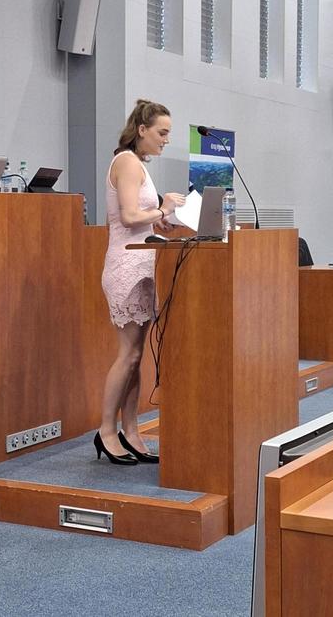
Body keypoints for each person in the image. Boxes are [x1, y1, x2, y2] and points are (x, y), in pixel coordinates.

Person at [95, 99, 186, 465]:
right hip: (127, 267)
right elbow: (130, 216)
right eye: (162, 133)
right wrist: (163, 208)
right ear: (142, 130)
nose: (166, 140)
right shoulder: (127, 162)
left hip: (143, 264)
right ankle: (106, 431)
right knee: (128, 354)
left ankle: (131, 430)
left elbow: (139, 218)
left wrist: (160, 220)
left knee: (136, 357)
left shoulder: (137, 165)